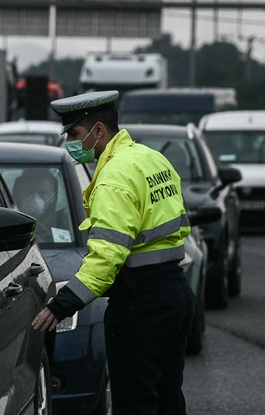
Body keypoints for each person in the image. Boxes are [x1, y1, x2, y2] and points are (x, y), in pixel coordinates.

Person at [31, 90, 194, 415]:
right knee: (167, 398)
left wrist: (63, 304)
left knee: (135, 402)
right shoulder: (151, 158)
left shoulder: (114, 178)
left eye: (75, 134)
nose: (70, 143)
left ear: (99, 131)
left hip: (140, 307)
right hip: (176, 295)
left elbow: (107, 257)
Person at [12, 169, 62, 240]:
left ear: (52, 197)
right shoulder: (7, 221)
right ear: (19, 193)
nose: (35, 197)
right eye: (29, 191)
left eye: (43, 193)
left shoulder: (62, 224)